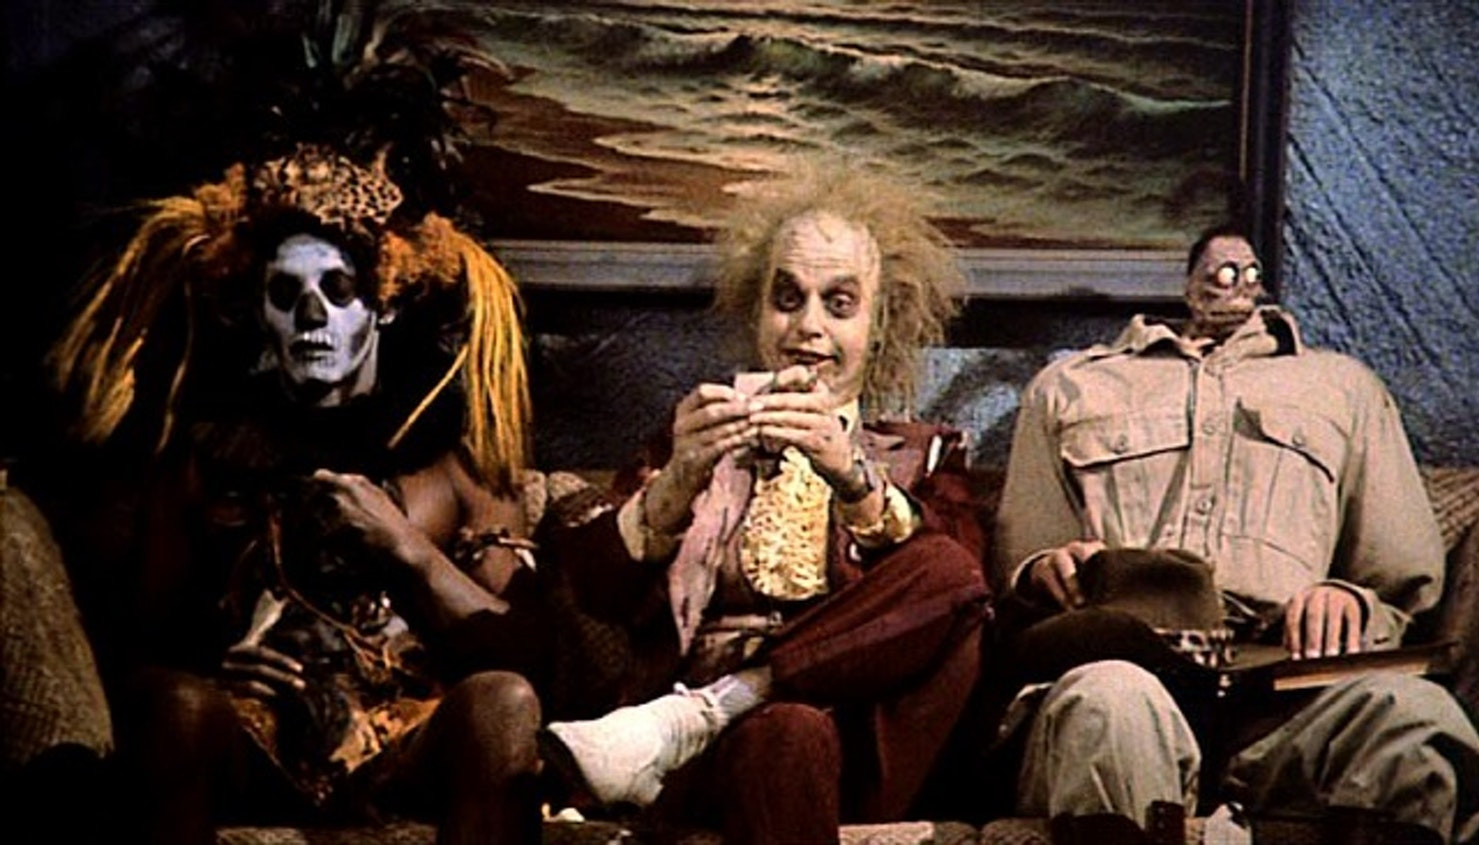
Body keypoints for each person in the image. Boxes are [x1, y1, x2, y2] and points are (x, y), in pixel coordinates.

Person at [42, 11, 550, 837]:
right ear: (260, 313)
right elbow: (135, 648)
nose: (313, 317)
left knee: (503, 701)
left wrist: (405, 548)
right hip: (254, 731)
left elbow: (528, 657)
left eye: (338, 292)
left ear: (383, 304)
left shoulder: (454, 463)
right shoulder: (206, 453)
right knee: (172, 703)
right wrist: (217, 660)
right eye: (287, 295)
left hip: (406, 734)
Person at [536, 161, 991, 845]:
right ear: (757, 310)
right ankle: (703, 718)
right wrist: (677, 481)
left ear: (878, 324)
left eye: (840, 304)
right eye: (787, 298)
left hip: (858, 740)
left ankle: (704, 711)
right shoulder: (695, 434)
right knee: (784, 732)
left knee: (947, 571)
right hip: (699, 766)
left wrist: (853, 476)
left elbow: (959, 588)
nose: (808, 326)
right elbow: (594, 588)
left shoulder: (926, 455)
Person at [994, 224, 1479, 841]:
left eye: (1248, 274)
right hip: (1131, 668)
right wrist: (1048, 570)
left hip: (1290, 692)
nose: (1236, 287)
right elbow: (1019, 567)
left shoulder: (1344, 388)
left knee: (1416, 718)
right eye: (1222, 272)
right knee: (1107, 705)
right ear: (1190, 283)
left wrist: (1351, 600)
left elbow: (1401, 582)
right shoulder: (1071, 387)